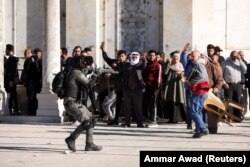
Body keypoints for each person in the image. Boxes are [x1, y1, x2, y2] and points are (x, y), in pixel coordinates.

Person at [64, 56, 102, 152]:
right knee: (87, 122)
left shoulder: (77, 72)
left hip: (77, 102)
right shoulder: (76, 72)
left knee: (91, 120)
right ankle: (71, 139)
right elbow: (90, 84)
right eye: (85, 63)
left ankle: (89, 144)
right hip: (71, 102)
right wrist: (96, 75)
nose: (86, 65)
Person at [181, 50, 209, 138]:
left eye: (194, 56)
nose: (191, 58)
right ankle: (198, 131)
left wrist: (188, 81)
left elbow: (202, 77)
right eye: (191, 56)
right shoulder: (197, 64)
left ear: (198, 56)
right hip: (199, 91)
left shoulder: (198, 64)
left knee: (193, 112)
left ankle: (203, 129)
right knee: (197, 111)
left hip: (198, 91)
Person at [100, 42, 127, 125]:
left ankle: (125, 120)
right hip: (117, 87)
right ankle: (115, 119)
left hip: (125, 88)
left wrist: (113, 73)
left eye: (122, 56)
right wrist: (103, 50)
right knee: (116, 105)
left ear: (125, 56)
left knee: (124, 105)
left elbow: (123, 74)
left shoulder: (128, 64)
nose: (120, 58)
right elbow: (107, 59)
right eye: (119, 56)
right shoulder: (117, 63)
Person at [121, 52, 145, 127]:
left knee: (138, 107)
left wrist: (144, 59)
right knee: (127, 108)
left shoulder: (140, 65)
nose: (134, 57)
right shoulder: (127, 65)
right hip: (127, 90)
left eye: (136, 56)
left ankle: (140, 123)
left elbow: (144, 66)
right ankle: (127, 123)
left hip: (137, 90)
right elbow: (123, 76)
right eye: (133, 56)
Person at [222, 51, 247, 120]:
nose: (235, 57)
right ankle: (230, 116)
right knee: (229, 101)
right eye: (233, 56)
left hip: (237, 84)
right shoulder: (225, 63)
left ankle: (237, 116)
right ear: (230, 55)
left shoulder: (239, 62)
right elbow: (221, 75)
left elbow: (245, 69)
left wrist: (240, 60)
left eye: (236, 56)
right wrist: (224, 83)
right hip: (228, 84)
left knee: (237, 100)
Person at [163, 52, 186, 123]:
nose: (175, 60)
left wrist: (180, 73)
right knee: (170, 100)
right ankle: (171, 118)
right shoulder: (170, 65)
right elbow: (165, 72)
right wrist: (168, 64)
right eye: (174, 58)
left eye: (177, 58)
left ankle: (180, 118)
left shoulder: (181, 66)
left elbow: (183, 75)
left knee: (179, 99)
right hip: (170, 85)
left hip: (178, 85)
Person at [143, 50, 162, 127]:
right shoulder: (147, 65)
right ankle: (149, 119)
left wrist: (157, 88)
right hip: (147, 86)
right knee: (148, 103)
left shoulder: (158, 65)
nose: (151, 57)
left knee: (153, 104)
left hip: (154, 88)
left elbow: (159, 77)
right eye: (150, 55)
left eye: (153, 55)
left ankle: (153, 121)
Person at [4, 44, 20, 115]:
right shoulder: (11, 59)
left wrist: (11, 80)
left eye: (7, 50)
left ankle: (14, 108)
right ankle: (14, 108)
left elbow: (12, 71)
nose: (6, 51)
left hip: (11, 80)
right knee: (13, 94)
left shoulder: (12, 59)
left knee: (12, 94)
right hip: (10, 80)